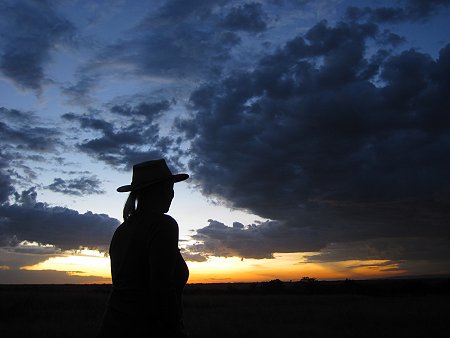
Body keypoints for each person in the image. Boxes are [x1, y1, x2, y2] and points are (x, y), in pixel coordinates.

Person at [96, 159, 190, 338]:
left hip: (112, 327)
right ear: (161, 191)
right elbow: (161, 291)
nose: (172, 195)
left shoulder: (121, 231)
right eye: (170, 189)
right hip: (147, 329)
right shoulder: (163, 225)